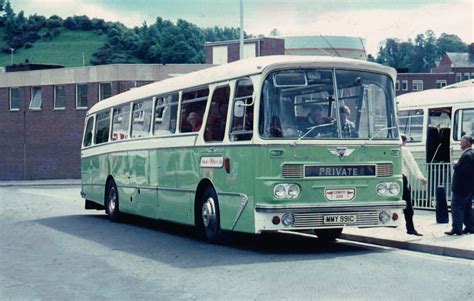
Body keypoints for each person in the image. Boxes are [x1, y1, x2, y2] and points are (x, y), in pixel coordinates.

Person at [445, 135, 474, 235]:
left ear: (467, 143)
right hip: (469, 187)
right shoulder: (472, 153)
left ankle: (457, 229)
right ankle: (470, 227)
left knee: (456, 207)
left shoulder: (467, 155)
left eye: (461, 141)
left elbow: (464, 171)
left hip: (461, 187)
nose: (460, 143)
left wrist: (456, 165)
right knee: (467, 208)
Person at [401, 134, 428, 236]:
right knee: (408, 205)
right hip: (402, 179)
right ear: (404, 142)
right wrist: (421, 177)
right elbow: (412, 164)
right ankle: (410, 228)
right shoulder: (404, 150)